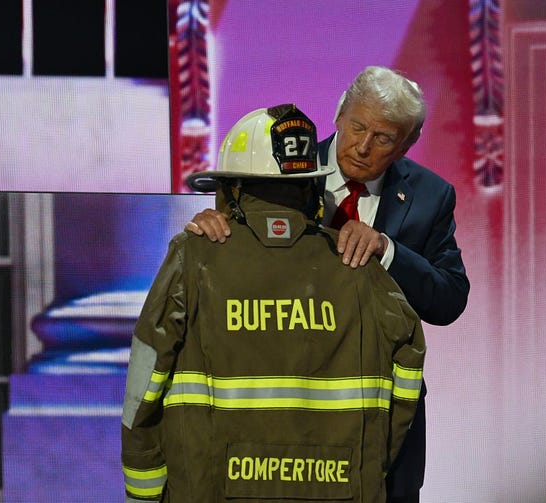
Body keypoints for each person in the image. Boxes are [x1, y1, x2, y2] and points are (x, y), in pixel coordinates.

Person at [185, 66, 470, 502]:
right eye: (357, 126)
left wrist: (387, 250)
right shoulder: (276, 169)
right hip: (283, 403)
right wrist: (213, 224)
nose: (362, 146)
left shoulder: (430, 196)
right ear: (338, 114)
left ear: (407, 144)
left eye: (383, 138)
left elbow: (449, 299)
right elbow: (235, 246)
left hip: (382, 411)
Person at [121, 104, 427, 502]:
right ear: (311, 189)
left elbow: (142, 390)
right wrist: (371, 464)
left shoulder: (194, 259)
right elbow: (409, 365)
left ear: (233, 187)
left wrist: (144, 491)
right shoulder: (359, 265)